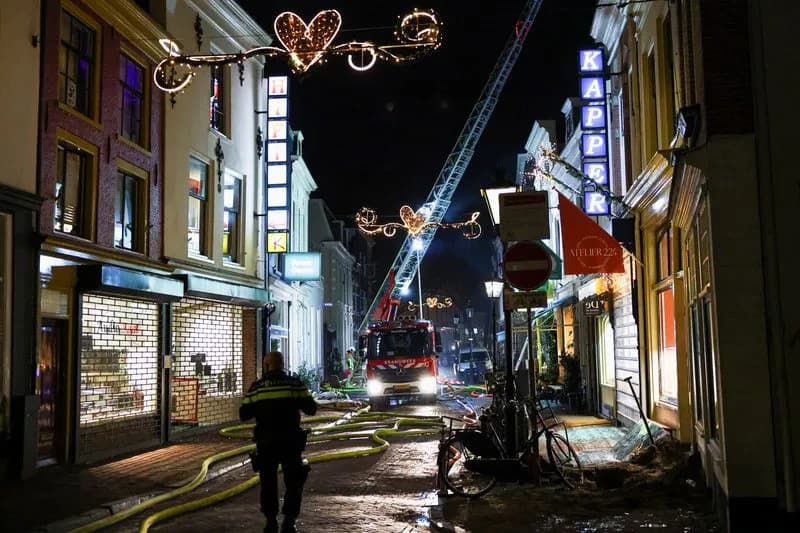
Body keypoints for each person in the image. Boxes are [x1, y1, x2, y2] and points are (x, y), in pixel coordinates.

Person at [240, 351, 318, 533]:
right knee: (294, 481)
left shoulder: (257, 388)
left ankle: (271, 521)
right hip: (291, 441)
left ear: (266, 366)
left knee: (268, 482)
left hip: (266, 443)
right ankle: (289, 521)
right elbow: (311, 409)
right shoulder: (294, 384)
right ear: (282, 365)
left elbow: (243, 414)